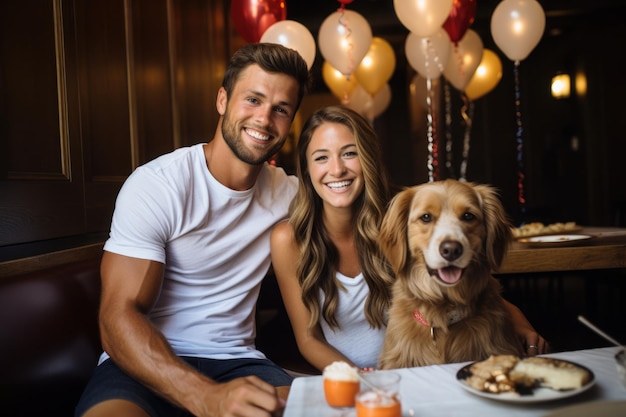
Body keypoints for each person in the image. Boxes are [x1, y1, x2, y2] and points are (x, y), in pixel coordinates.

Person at [75, 43, 311, 417]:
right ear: (222, 100)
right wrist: (204, 397)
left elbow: (365, 227)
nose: (264, 119)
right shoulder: (159, 185)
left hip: (238, 363)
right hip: (141, 364)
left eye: (281, 109)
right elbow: (118, 316)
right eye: (253, 99)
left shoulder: (289, 194)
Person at [270, 105, 549, 373]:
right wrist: (358, 377)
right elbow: (309, 339)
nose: (337, 169)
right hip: (354, 377)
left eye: (350, 153)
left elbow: (469, 291)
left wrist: (519, 323)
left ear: (367, 159)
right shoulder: (289, 239)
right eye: (321, 157)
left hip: (419, 368)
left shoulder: (405, 218)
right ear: (306, 169)